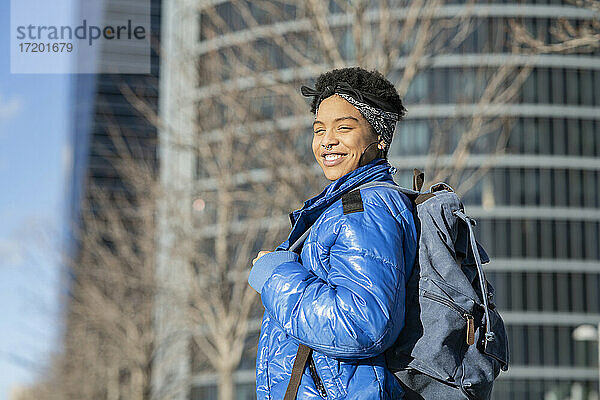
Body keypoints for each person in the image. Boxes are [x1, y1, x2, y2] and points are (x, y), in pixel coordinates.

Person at [248, 67, 418, 399]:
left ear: (379, 136)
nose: (327, 140)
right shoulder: (347, 206)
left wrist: (275, 275)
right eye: (319, 129)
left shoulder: (364, 208)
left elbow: (363, 324)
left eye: (343, 128)